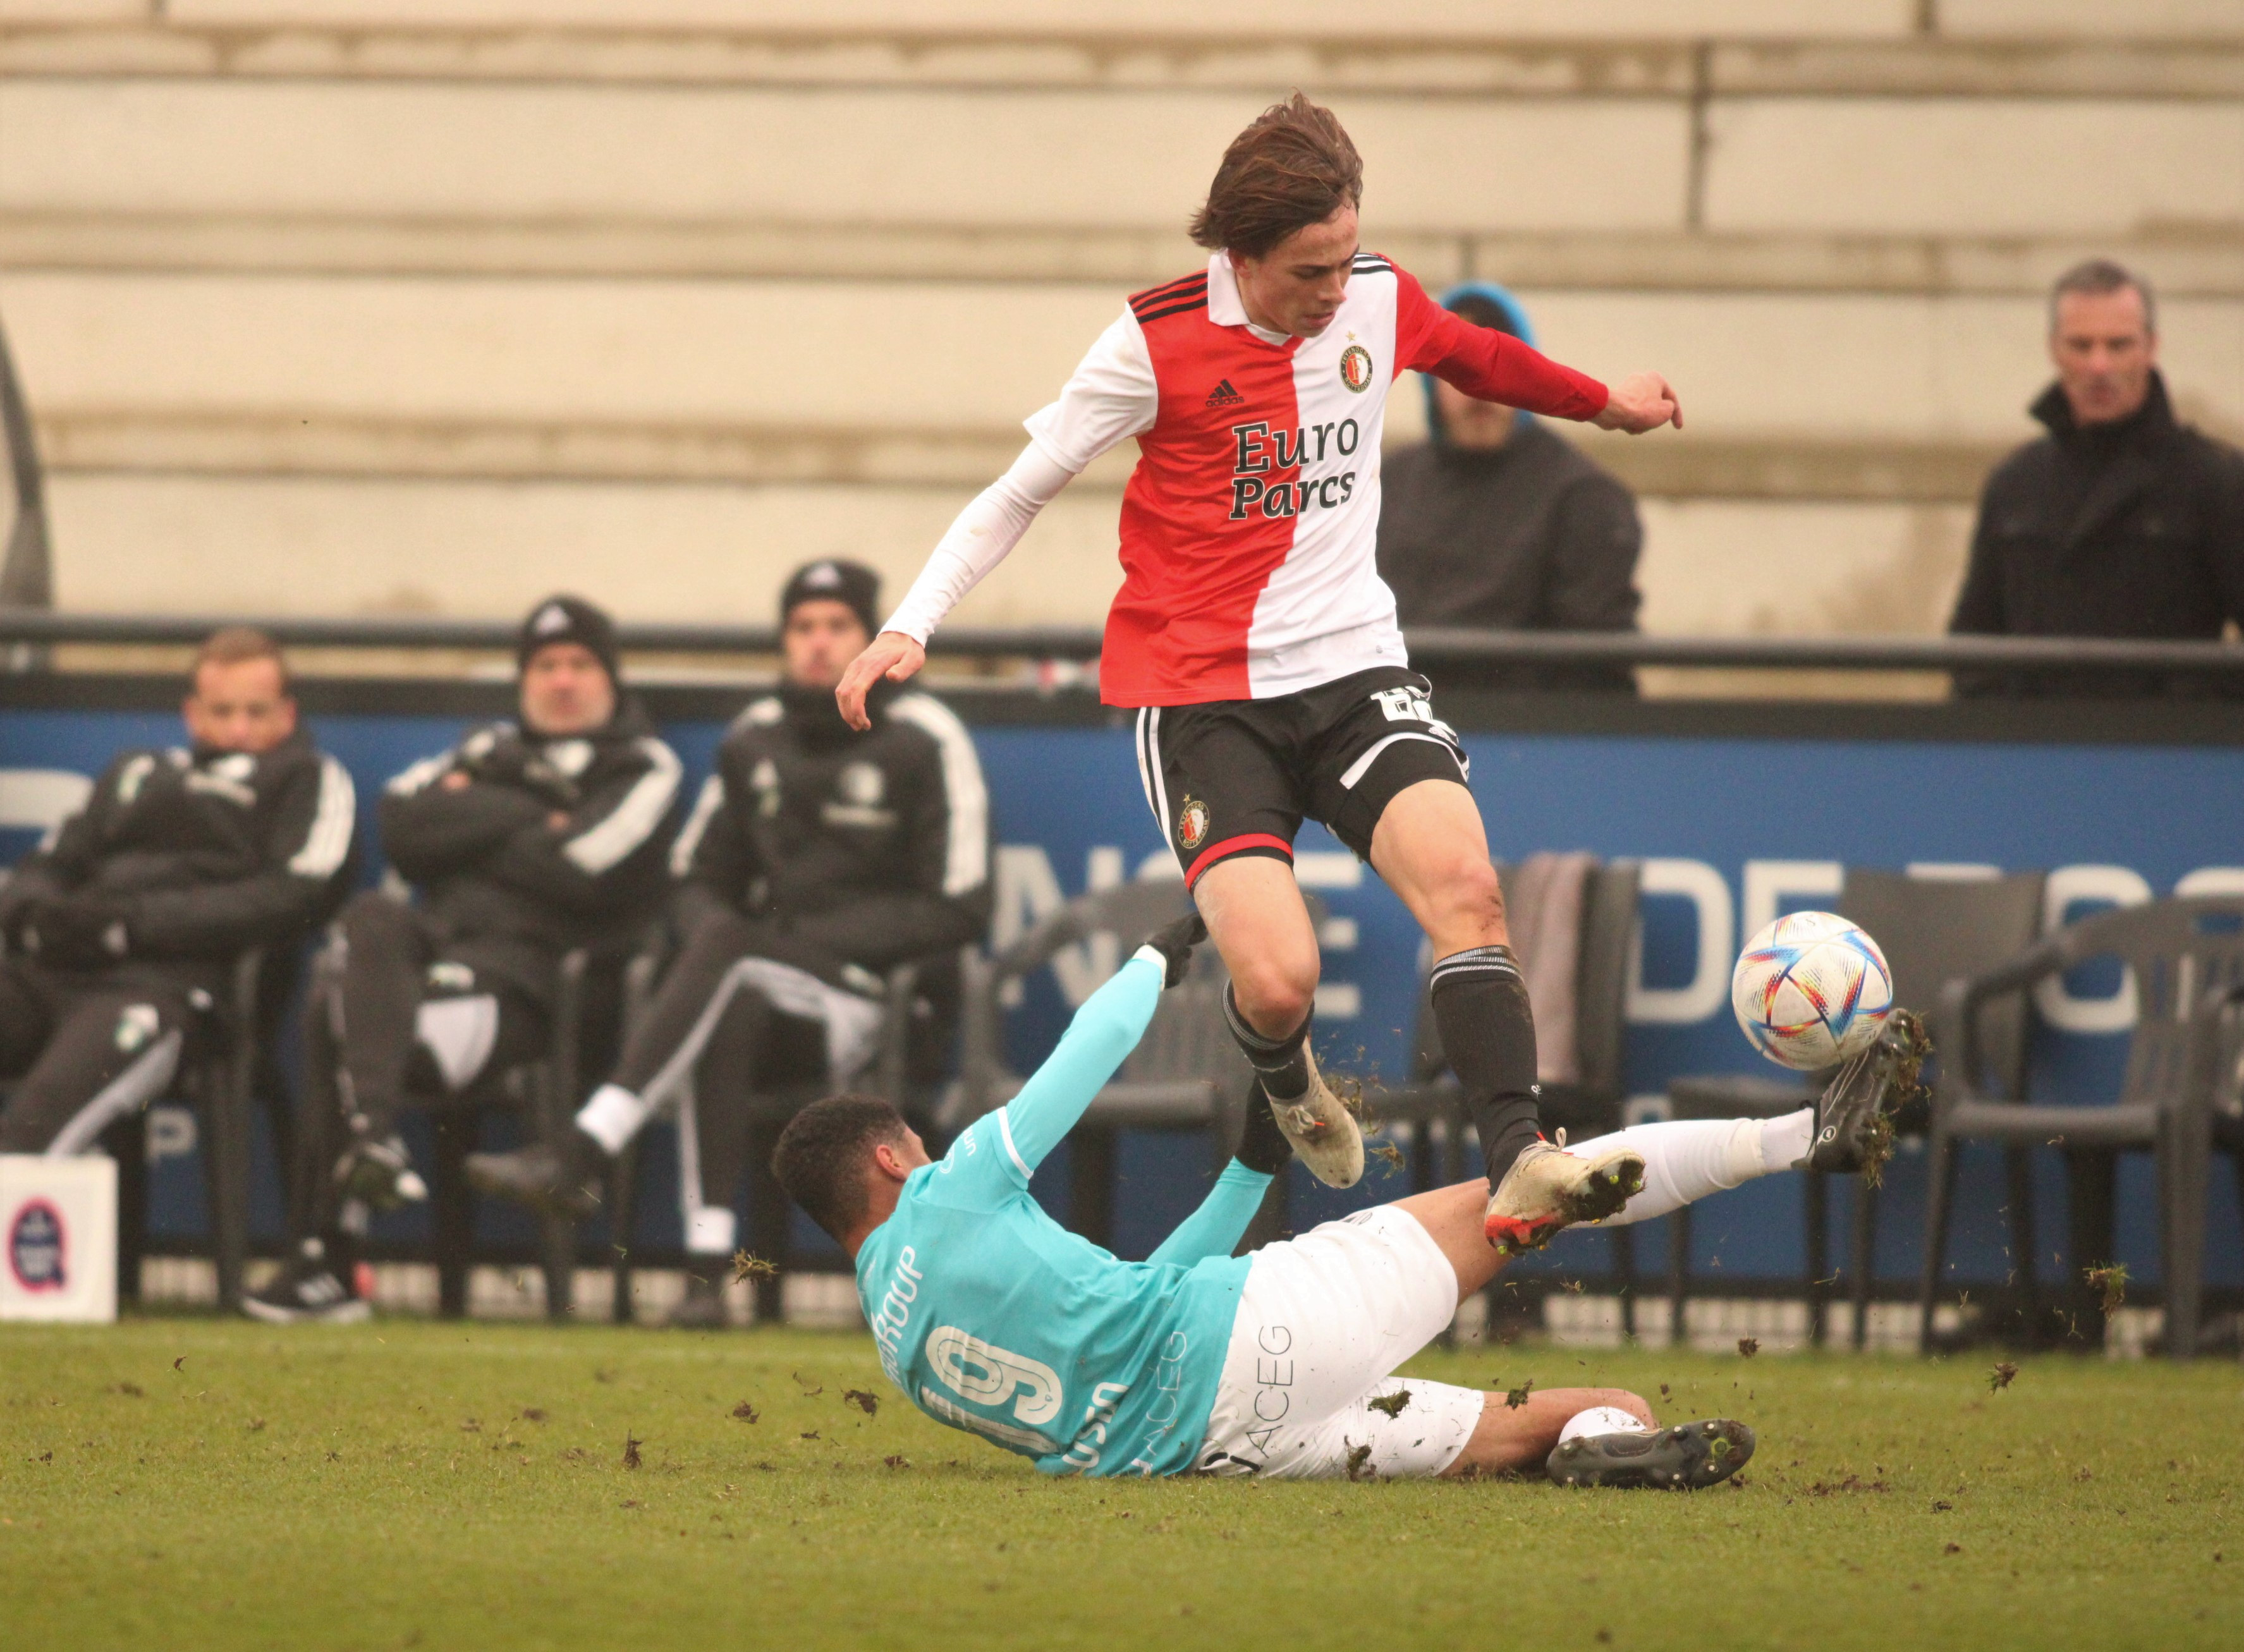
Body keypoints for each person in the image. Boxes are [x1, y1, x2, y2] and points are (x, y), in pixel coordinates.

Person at [836, 94, 1683, 1254]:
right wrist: (910, 623)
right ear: (1239, 256)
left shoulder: (1375, 295)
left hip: (1350, 668)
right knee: (1277, 982)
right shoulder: (1152, 342)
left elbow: (1478, 358)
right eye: (1308, 272)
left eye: (1345, 258)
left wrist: (1607, 403)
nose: (1337, 290)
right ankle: (1284, 1075)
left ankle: (1519, 1155)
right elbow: (1018, 491)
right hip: (1201, 694)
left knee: (1468, 889)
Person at [781, 920, 1918, 1483]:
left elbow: (1136, 1300)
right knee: (1533, 1187)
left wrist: (1248, 1168)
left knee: (1595, 1401)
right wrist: (1161, 947)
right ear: (890, 1157)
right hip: (1266, 1331)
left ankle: (1598, 1449)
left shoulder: (901, 1347)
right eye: (916, 1143)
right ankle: (1808, 1134)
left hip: (1238, 1452)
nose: (929, 1150)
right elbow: (1090, 1049)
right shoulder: (952, 1185)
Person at [466, 561, 992, 1328]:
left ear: (871, 638)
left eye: (837, 627)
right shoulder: (754, 739)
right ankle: (711, 1275)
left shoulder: (925, 736)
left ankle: (585, 1147)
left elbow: (961, 903)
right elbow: (693, 878)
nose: (818, 645)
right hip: (769, 985)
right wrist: (755, 940)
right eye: (802, 628)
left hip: (878, 998)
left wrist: (796, 938)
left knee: (731, 950)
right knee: (730, 981)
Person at [246, 596, 681, 1323]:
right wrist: (535, 812)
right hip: (429, 960)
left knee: (336, 1011)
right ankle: (375, 1143)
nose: (562, 680)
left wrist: (475, 815)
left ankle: (331, 1253)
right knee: (371, 919)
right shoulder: (484, 747)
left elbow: (584, 867)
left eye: (579, 664)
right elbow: (402, 821)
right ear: (523, 678)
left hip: (528, 989)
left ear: (611, 677)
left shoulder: (642, 763)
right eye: (545, 666)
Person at [0, 627, 358, 1154]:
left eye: (257, 713)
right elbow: (48, 863)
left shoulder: (307, 776)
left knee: (31, 1131)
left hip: (167, 989)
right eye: (223, 711)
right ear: (193, 714)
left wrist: (132, 926)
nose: (239, 729)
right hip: (52, 970)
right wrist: (35, 917)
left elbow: (296, 894)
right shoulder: (137, 771)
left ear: (287, 713)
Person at [1949, 258, 2244, 698]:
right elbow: (1972, 648)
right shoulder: (2015, 485)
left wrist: (2200, 723)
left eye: (2119, 345)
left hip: (2168, 756)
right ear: (2054, 350)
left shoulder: (2213, 482)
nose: (2099, 366)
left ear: (2151, 347)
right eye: (2081, 346)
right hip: (2035, 754)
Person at [1375, 282, 1642, 692]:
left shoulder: (1585, 497)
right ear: (1429, 380)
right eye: (1457, 368)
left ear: (1529, 376)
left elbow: (1595, 674)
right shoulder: (1385, 484)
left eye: (1496, 367)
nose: (1477, 388)